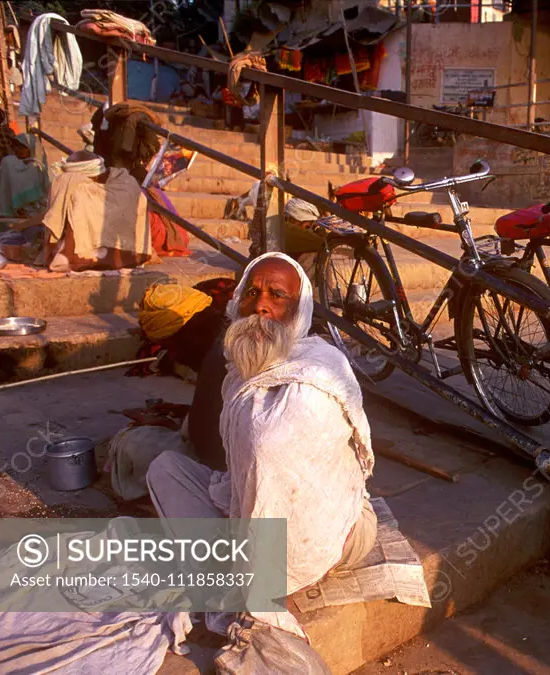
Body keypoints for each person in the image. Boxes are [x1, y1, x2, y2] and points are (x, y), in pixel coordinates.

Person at [145, 252, 377, 639]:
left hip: (333, 534)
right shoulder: (242, 365)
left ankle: (261, 580)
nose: (261, 305)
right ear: (237, 301)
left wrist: (266, 593)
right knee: (165, 468)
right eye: (252, 292)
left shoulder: (313, 377)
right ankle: (236, 568)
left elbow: (276, 482)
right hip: (254, 512)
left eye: (277, 295)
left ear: (299, 311)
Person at [41, 150, 157, 272]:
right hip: (130, 253)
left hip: (130, 251)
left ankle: (86, 255)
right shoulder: (81, 187)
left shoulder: (124, 183)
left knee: (79, 197)